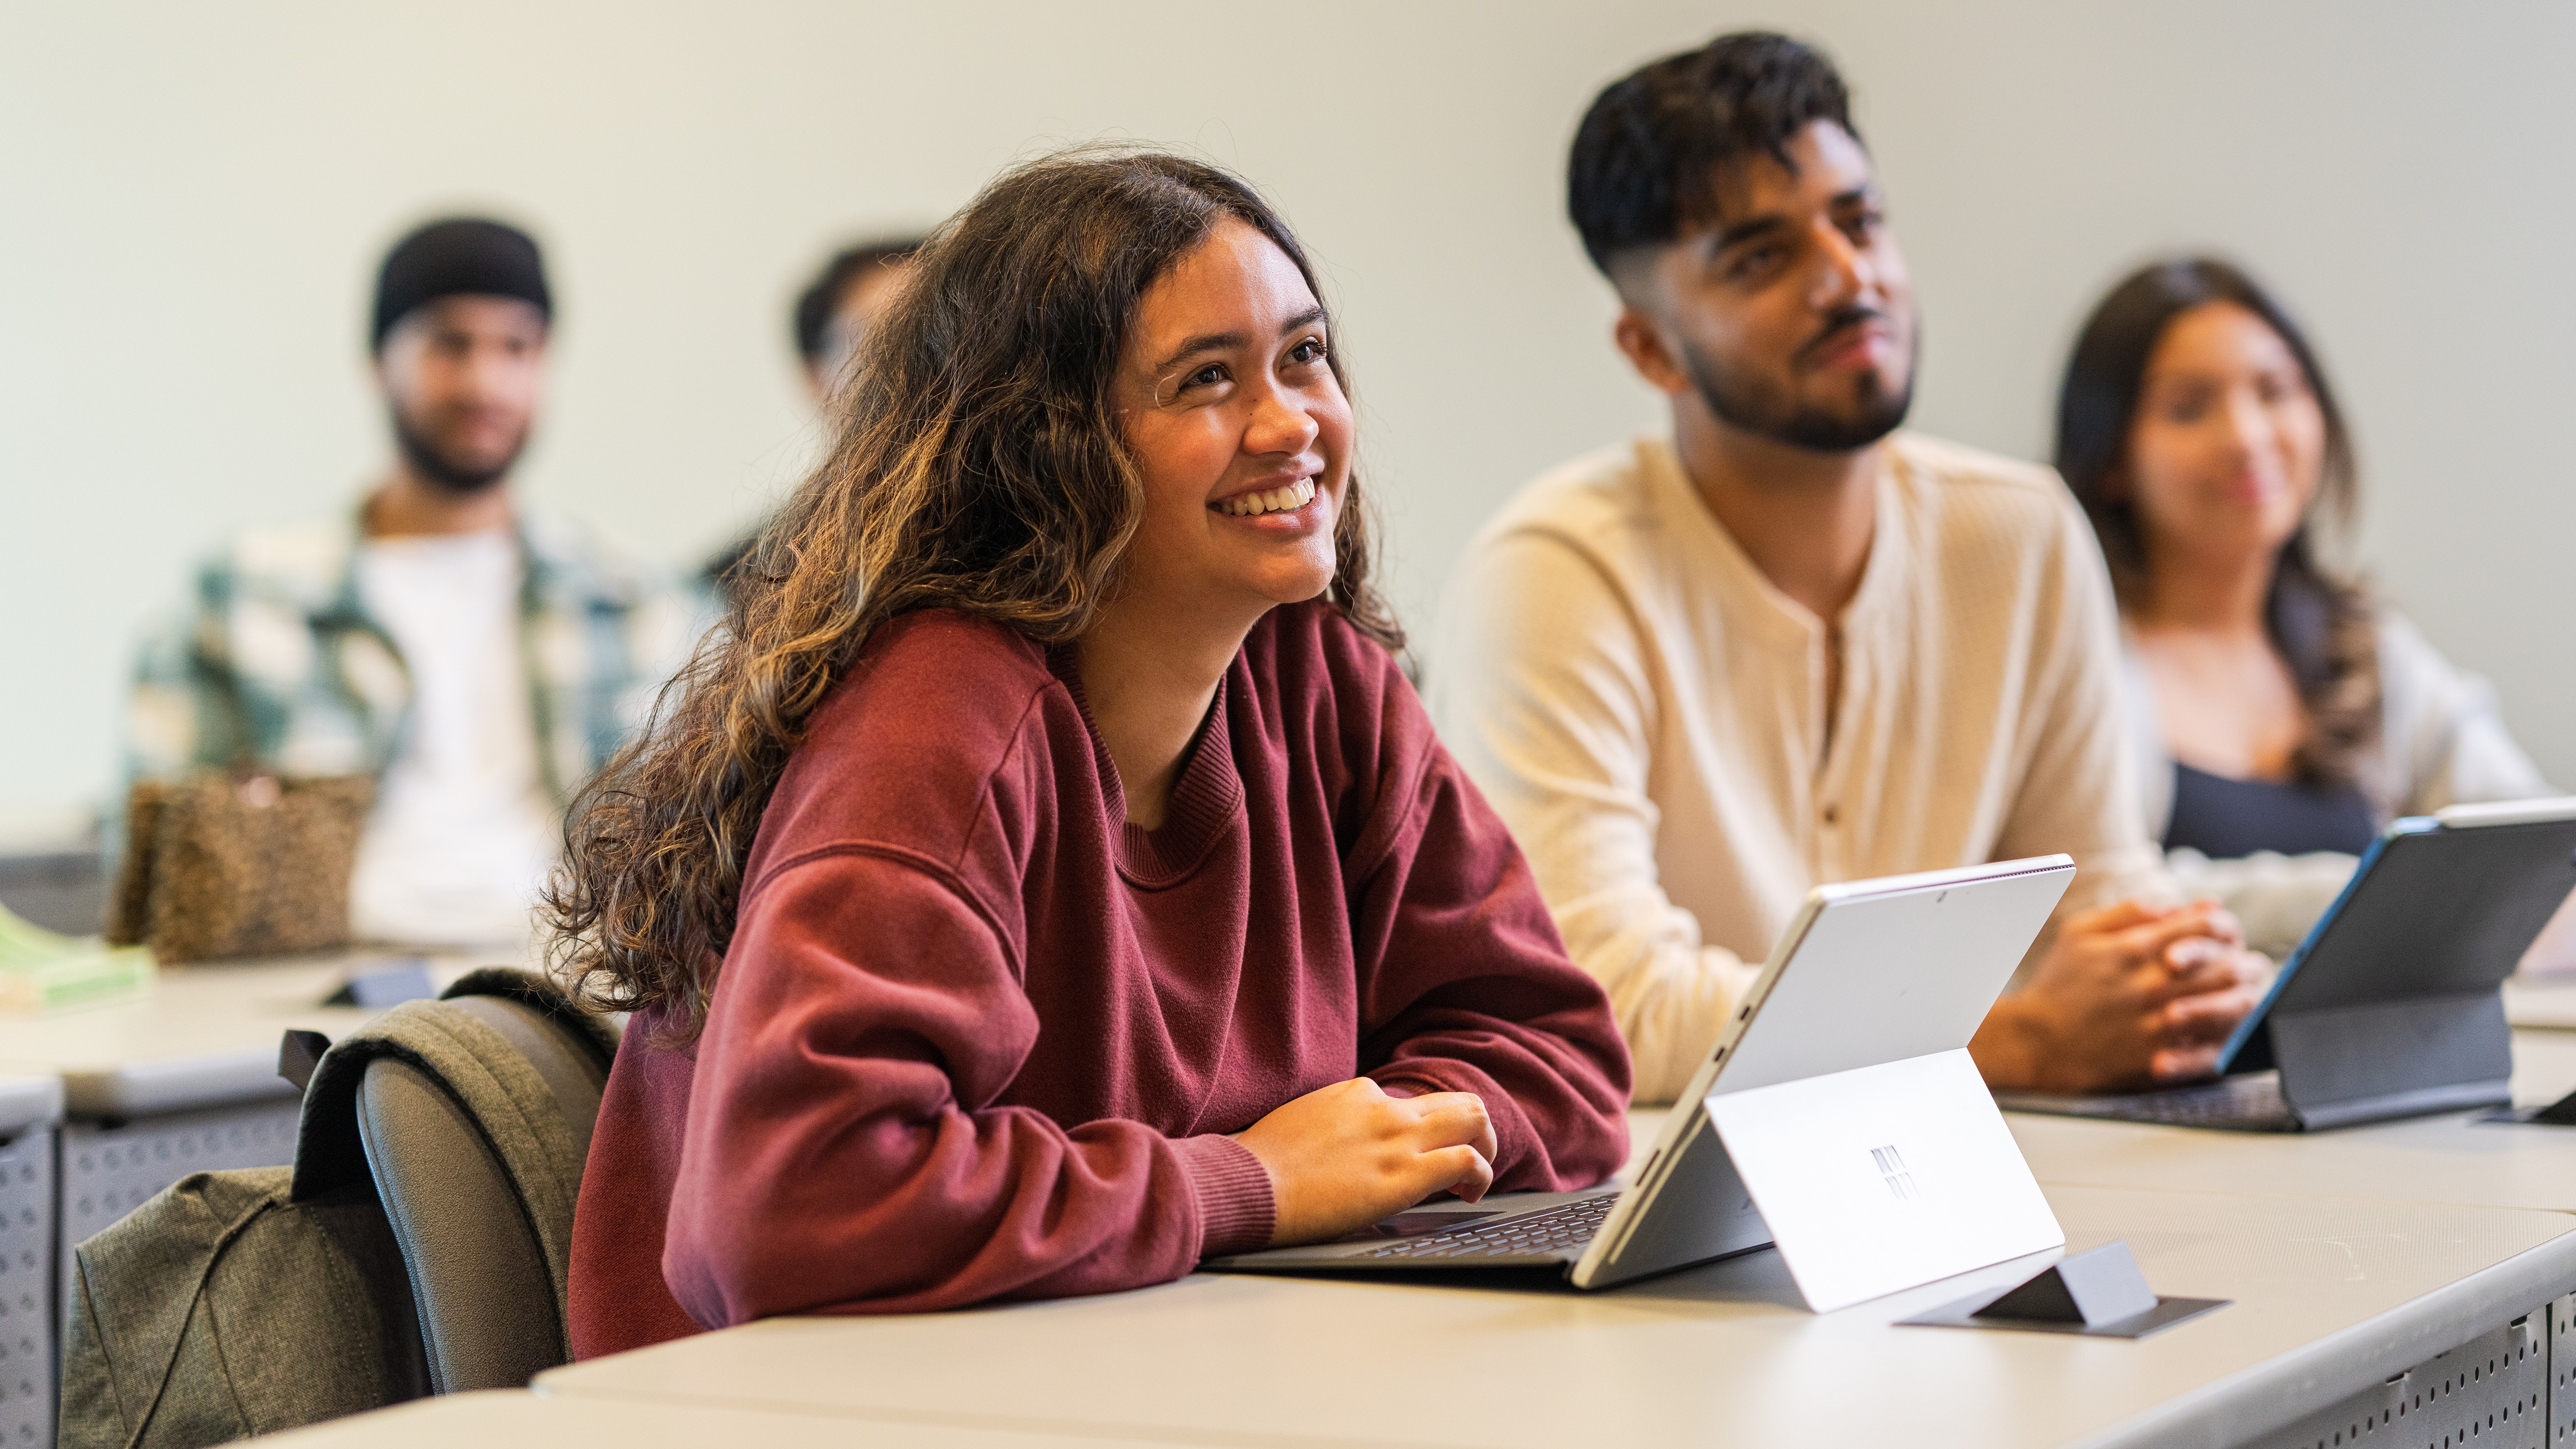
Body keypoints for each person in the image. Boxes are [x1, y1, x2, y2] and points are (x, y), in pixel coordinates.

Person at [552, 150, 1631, 1355]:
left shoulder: (1318, 676)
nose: (1291, 424)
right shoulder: (934, 723)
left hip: (1154, 1363)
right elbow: (787, 1205)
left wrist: (1375, 1145)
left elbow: (1564, 1061)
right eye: (1206, 380)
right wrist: (1249, 1184)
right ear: (1045, 449)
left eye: (1306, 354)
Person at [1431, 31, 2266, 1104]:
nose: (1848, 278)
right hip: (1679, 1211)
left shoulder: (2022, 532)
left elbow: (2101, 914)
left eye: (1860, 220)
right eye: (1762, 257)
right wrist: (2005, 1044)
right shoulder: (1555, 573)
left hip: (1989, 1164)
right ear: (1652, 349)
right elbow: (1599, 1002)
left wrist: (2175, 984)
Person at [123, 217, 692, 949]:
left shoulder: (635, 600)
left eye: (515, 347)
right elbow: (149, 867)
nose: (484, 381)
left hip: (568, 972)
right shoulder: (242, 598)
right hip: (311, 982)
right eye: (448, 344)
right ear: (378, 360)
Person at [2057, 257, 2553, 956]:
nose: (2247, 437)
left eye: (2275, 391)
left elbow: (2531, 847)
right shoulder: (2072, 665)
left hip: (2380, 1061)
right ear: (2110, 458)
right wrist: (2365, 896)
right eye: (2189, 407)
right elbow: (2095, 904)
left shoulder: (2365, 649)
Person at [701, 237, 926, 605]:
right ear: (817, 377)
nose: (924, 360)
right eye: (881, 337)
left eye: (941, 329)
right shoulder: (736, 585)